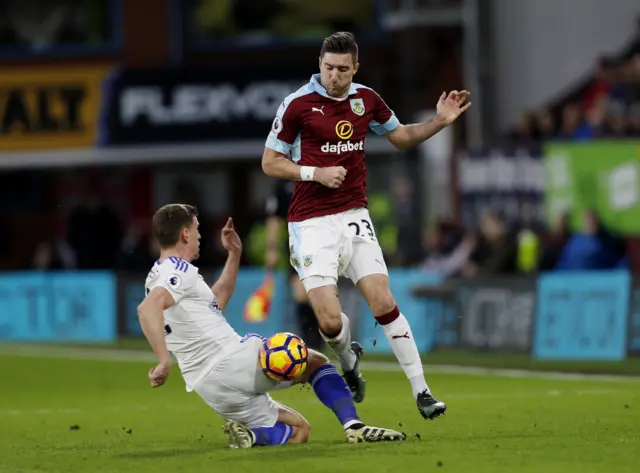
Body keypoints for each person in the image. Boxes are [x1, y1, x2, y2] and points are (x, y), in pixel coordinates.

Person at [261, 31, 471, 419]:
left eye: (343, 69)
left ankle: (422, 391)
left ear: (355, 68)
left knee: (383, 300)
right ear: (319, 65)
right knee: (327, 319)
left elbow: (401, 136)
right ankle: (348, 360)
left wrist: (439, 122)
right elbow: (269, 162)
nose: (334, 76)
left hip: (354, 216)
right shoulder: (297, 105)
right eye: (328, 68)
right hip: (310, 223)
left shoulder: (367, 100)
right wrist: (314, 173)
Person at [137, 204, 405, 448]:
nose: (199, 236)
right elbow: (148, 308)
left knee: (298, 431)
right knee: (316, 362)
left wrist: (234, 254)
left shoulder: (158, 273)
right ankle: (354, 426)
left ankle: (252, 437)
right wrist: (163, 360)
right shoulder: (177, 269)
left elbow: (215, 300)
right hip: (232, 362)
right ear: (184, 234)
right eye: (196, 230)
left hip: (210, 388)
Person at [265, 179, 324, 350]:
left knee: (320, 292)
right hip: (296, 244)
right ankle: (311, 342)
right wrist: (272, 248)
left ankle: (327, 336)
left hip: (322, 242)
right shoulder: (283, 185)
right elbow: (274, 218)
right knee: (301, 294)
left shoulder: (318, 175)